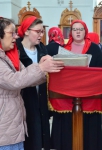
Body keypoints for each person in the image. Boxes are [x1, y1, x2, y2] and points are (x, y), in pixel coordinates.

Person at [0, 17, 64, 149]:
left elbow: (27, 78)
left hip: (14, 123)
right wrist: (41, 68)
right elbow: (15, 81)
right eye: (11, 33)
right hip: (5, 125)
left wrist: (44, 68)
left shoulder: (8, 56)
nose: (15, 36)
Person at [50, 20, 102, 150]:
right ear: (71, 32)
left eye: (81, 29)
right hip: (67, 96)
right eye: (75, 29)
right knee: (68, 130)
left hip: (88, 97)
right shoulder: (64, 49)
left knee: (88, 132)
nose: (78, 31)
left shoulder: (94, 48)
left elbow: (101, 71)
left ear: (85, 31)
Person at [16, 16, 60, 150]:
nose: (41, 35)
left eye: (43, 32)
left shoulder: (42, 49)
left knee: (42, 134)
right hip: (24, 99)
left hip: (41, 98)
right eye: (38, 31)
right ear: (27, 31)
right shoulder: (16, 50)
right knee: (29, 136)